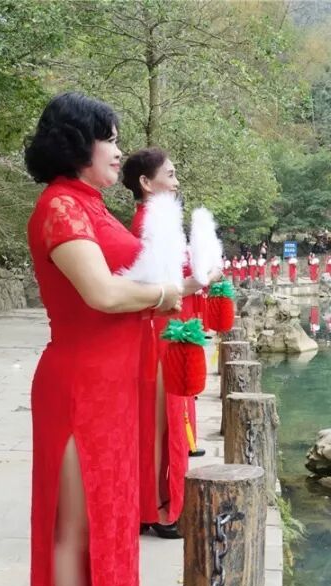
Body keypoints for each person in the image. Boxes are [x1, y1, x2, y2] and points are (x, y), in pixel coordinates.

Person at [25, 93, 172, 586]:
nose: (118, 150)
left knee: (111, 524)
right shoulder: (60, 207)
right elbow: (103, 295)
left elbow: (128, 280)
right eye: (109, 138)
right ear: (77, 143)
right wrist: (162, 294)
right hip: (79, 388)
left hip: (113, 388)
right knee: (75, 530)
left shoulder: (92, 206)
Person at [121, 147, 212, 545]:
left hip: (165, 326)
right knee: (163, 420)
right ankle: (162, 507)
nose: (176, 183)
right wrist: (197, 281)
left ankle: (151, 505)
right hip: (160, 330)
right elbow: (157, 288)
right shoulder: (150, 224)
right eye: (170, 175)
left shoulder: (154, 223)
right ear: (146, 182)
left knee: (159, 420)